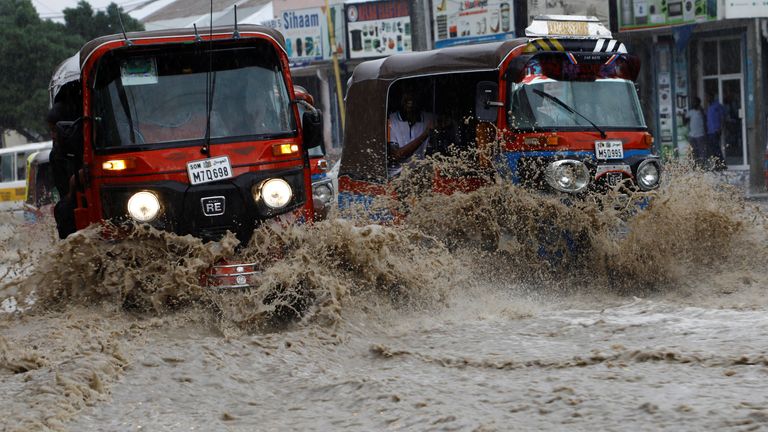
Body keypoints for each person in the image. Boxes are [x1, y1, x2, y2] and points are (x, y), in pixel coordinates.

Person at [387, 90, 436, 177]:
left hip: (421, 174)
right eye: (406, 94)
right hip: (397, 175)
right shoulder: (392, 120)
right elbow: (396, 155)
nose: (410, 99)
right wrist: (425, 134)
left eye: (413, 94)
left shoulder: (430, 118)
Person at [683, 96, 707, 165]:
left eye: (696, 102)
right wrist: (683, 115)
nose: (694, 103)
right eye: (693, 102)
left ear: (699, 103)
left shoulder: (702, 111)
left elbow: (705, 121)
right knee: (693, 152)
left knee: (702, 151)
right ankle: (695, 165)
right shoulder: (691, 112)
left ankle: (702, 165)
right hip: (692, 135)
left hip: (700, 135)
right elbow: (684, 122)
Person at [706, 93, 727, 169]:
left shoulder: (717, 106)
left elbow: (722, 117)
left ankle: (722, 165)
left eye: (708, 97)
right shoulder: (709, 107)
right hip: (710, 131)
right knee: (713, 150)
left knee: (716, 149)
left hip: (715, 130)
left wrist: (720, 128)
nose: (707, 99)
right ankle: (717, 165)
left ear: (712, 97)